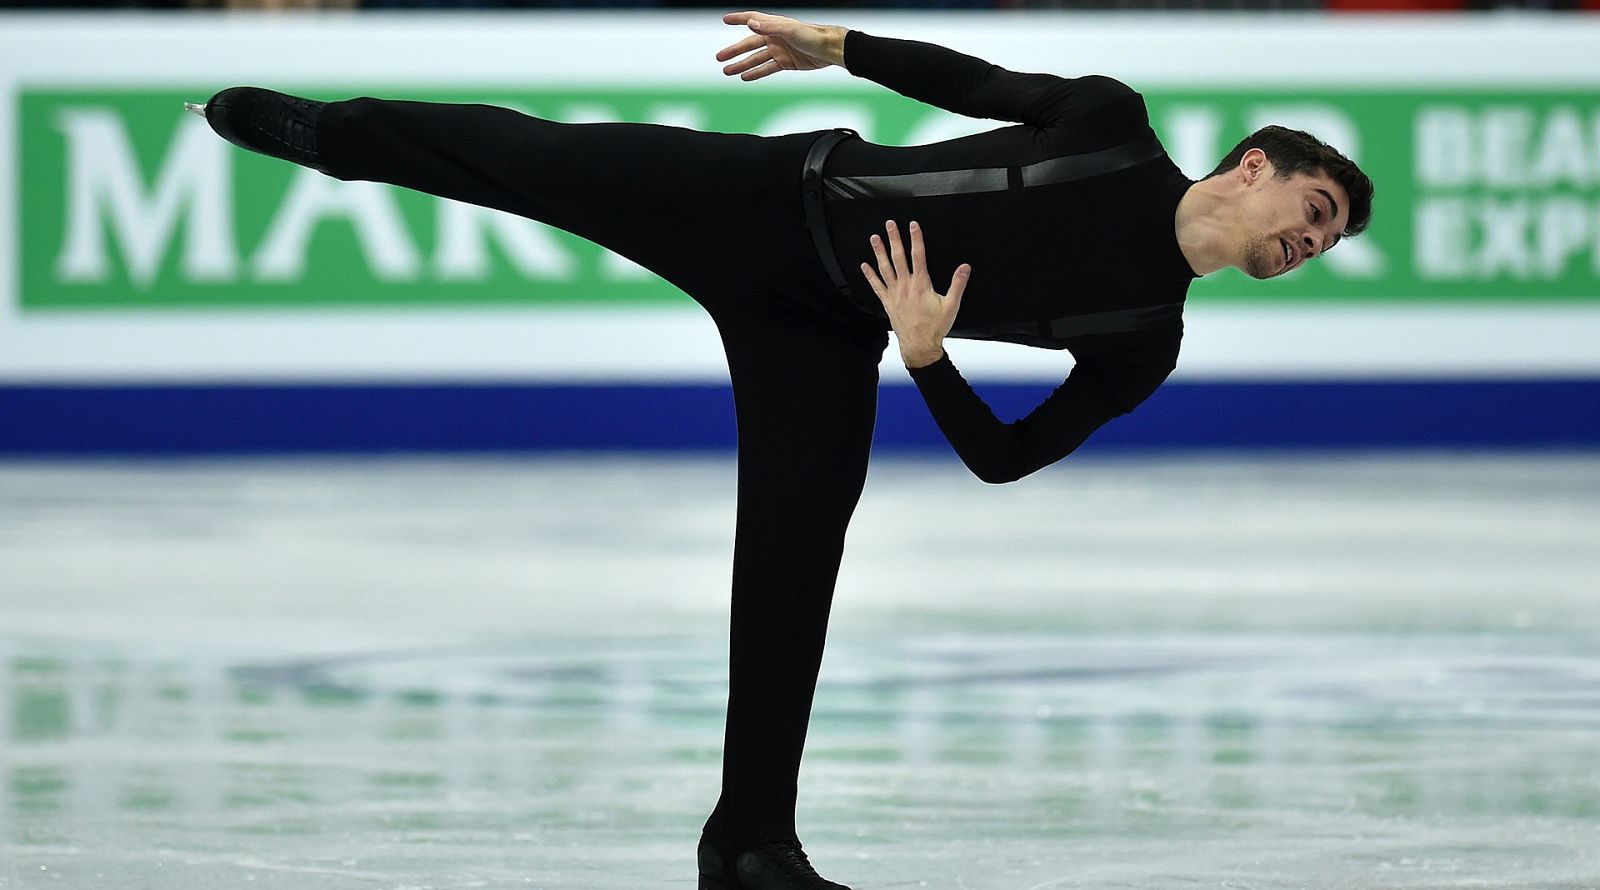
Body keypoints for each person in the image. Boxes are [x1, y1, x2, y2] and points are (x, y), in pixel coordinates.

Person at [191, 9, 1373, 889]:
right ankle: (327, 133)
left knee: (794, 567)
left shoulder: (1142, 340)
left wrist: (926, 355)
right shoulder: (1109, 126)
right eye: (1311, 212)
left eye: (1321, 245)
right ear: (1253, 167)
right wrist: (837, 45)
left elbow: (1004, 457)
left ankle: (750, 841)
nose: (1306, 243)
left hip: (820, 329)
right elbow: (971, 78)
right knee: (533, 157)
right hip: (762, 197)